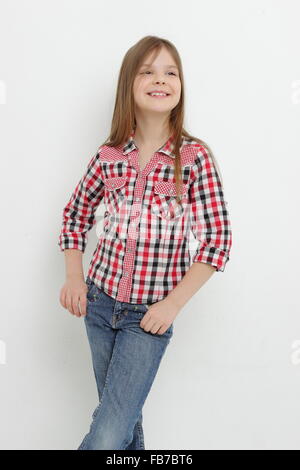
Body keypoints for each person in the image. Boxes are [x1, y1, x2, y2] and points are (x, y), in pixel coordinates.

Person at [58, 35, 232, 450]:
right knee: (123, 428)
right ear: (129, 86)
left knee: (107, 434)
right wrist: (74, 278)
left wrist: (171, 305)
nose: (161, 79)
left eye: (170, 72)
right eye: (148, 71)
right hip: (98, 308)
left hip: (148, 316)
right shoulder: (109, 155)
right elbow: (74, 217)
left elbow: (217, 240)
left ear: (181, 86)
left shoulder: (193, 158)